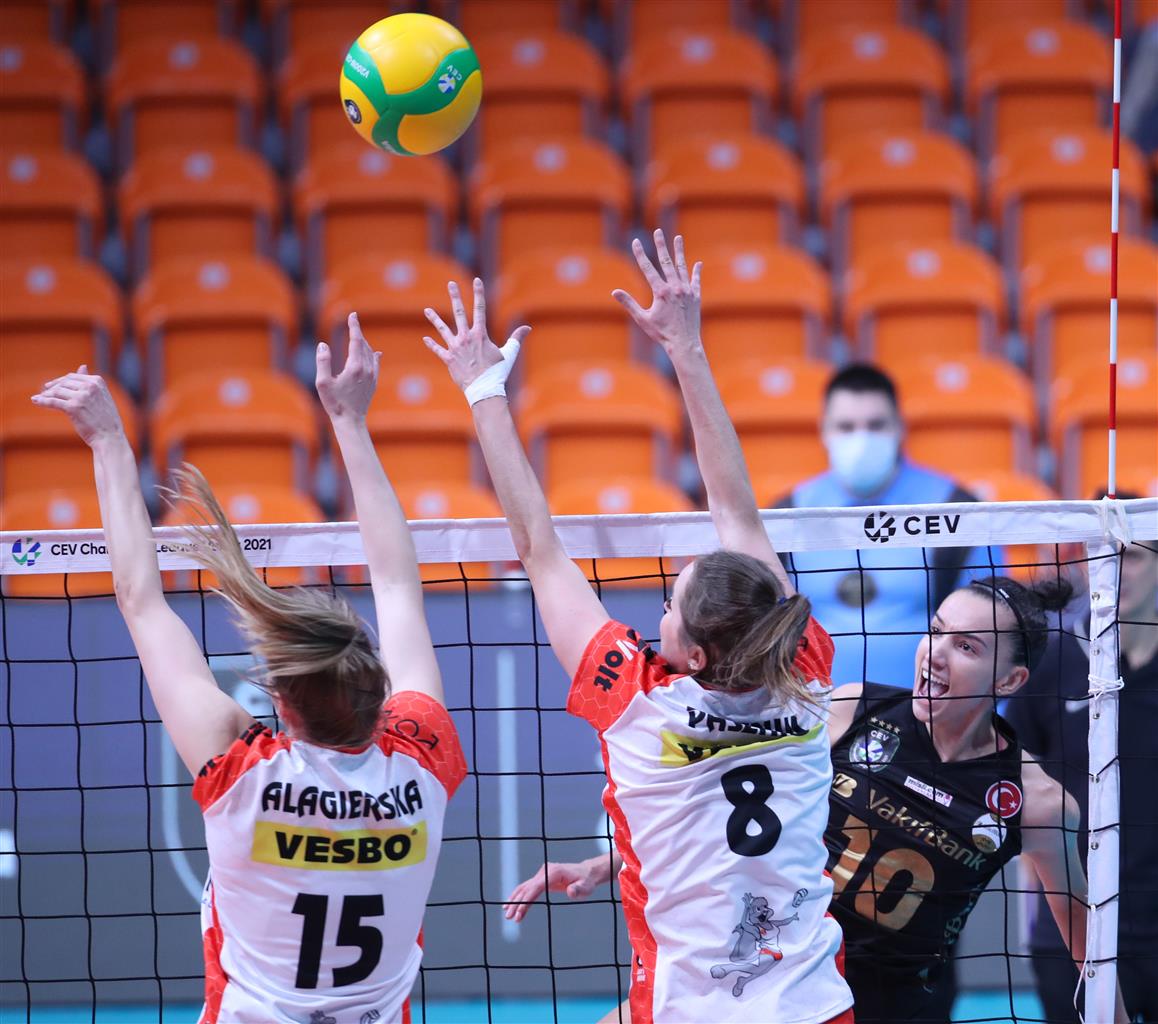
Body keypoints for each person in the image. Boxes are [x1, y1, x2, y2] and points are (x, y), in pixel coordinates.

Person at [423, 232, 854, 1024]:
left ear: (691, 652)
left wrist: (483, 388)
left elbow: (537, 547)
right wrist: (687, 348)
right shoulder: (804, 666)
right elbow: (738, 512)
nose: (657, 613)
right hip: (815, 1008)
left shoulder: (632, 698)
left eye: (668, 605)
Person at [30, 315, 466, 1024]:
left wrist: (108, 440)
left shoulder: (241, 774)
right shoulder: (421, 761)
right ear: (380, 694)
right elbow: (396, 587)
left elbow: (140, 599)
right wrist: (352, 423)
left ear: (281, 707)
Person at [507, 577, 1133, 1022]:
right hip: (781, 973)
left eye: (966, 647)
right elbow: (728, 810)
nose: (936, 654)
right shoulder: (853, 710)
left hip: (892, 1006)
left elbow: (1084, 938)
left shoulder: (1035, 800)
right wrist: (605, 864)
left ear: (1011, 680)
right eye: (937, 631)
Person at [1004, 515, 1158, 1024]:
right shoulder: (1050, 662)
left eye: (1133, 557)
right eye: (1103, 556)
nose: (1116, 571)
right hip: (1075, 929)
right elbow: (1015, 773)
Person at [781, 364, 997, 687]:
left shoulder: (954, 508)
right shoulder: (786, 514)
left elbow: (991, 637)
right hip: (812, 713)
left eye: (876, 425)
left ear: (900, 427)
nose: (861, 438)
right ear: (823, 431)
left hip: (925, 711)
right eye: (846, 426)